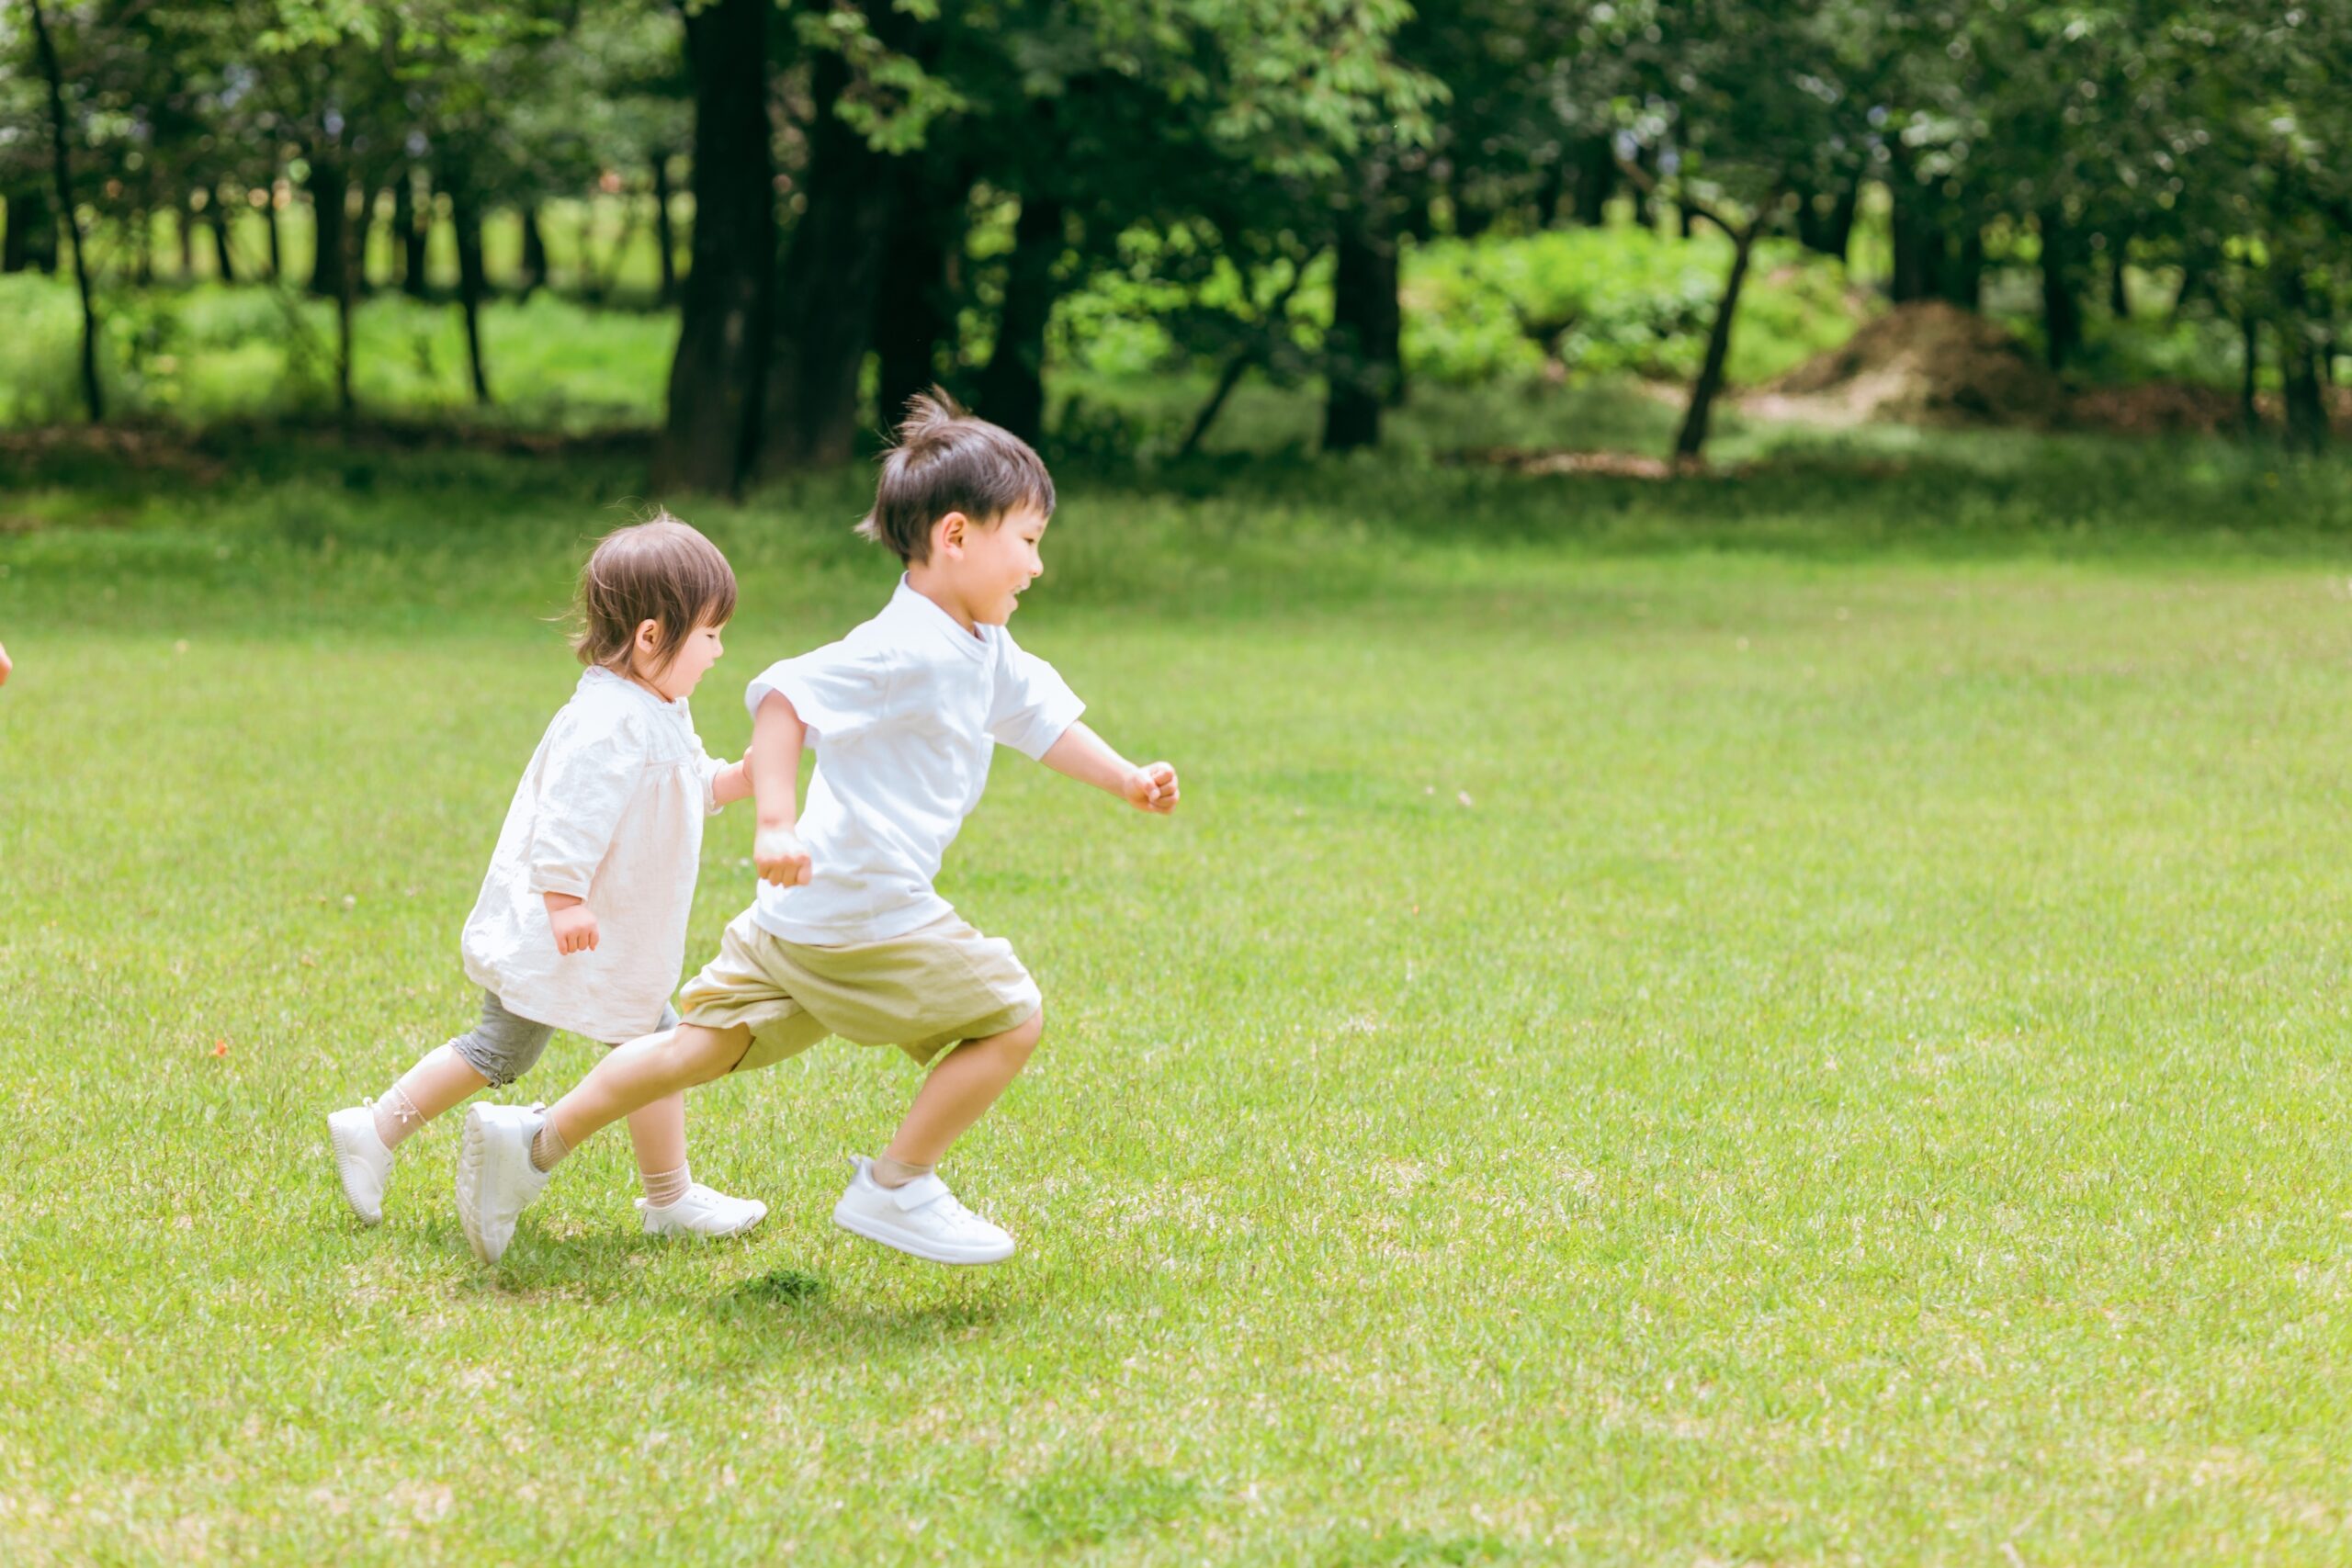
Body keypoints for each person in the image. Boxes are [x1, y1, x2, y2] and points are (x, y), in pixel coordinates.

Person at [456, 391, 1180, 1266]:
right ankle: (898, 1184)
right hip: (858, 907)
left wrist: (1127, 779)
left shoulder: (982, 644)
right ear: (955, 537)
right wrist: (774, 821)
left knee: (694, 1049)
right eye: (1027, 541)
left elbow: (1038, 719)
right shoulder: (900, 645)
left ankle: (527, 1144)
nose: (1036, 566)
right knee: (1012, 1015)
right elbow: (785, 696)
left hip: (796, 918)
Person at [330, 515, 768, 1245]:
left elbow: (688, 780)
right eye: (712, 635)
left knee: (651, 1044)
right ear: (653, 637)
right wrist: (564, 903)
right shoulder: (607, 722)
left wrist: (738, 778)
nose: (721, 652)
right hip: (559, 930)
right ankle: (374, 1129)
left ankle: (670, 1197)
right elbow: (566, 818)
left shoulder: (661, 705)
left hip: (611, 933)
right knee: (507, 1048)